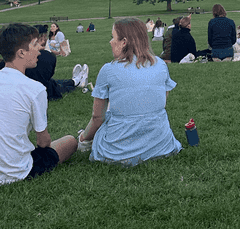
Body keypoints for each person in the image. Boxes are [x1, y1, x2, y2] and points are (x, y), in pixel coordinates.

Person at [0, 23, 77, 185]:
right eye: (35, 45)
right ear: (21, 53)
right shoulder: (35, 89)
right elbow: (43, 143)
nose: (40, 48)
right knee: (70, 141)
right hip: (13, 172)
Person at [77, 17, 181, 166]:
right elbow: (160, 105)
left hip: (117, 153)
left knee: (102, 125)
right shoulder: (161, 65)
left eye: (113, 38)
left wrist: (82, 139)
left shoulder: (109, 70)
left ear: (124, 42)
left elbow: (97, 118)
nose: (110, 42)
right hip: (161, 146)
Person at [25, 25, 84, 99]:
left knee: (55, 82)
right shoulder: (47, 56)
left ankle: (75, 80)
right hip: (42, 89)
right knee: (55, 85)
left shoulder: (21, 54)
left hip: (32, 85)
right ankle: (76, 81)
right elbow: (48, 77)